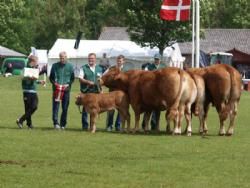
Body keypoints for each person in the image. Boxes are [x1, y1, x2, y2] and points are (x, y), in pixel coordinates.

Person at [16, 55, 45, 129]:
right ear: (32, 61)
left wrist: (39, 81)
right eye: (37, 61)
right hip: (27, 91)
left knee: (34, 107)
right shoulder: (25, 68)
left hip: (33, 91)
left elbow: (34, 79)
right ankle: (28, 124)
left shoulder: (34, 69)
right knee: (28, 108)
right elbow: (22, 77)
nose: (37, 63)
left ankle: (21, 120)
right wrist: (29, 78)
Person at [49, 51, 75, 130]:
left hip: (66, 90)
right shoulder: (54, 66)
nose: (62, 59)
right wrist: (55, 84)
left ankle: (63, 124)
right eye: (61, 58)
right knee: (56, 106)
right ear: (59, 58)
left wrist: (69, 84)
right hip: (57, 90)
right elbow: (51, 78)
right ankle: (56, 123)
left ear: (66, 57)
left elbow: (72, 78)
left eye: (63, 58)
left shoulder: (70, 66)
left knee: (65, 107)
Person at [78, 53, 103, 130]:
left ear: (95, 59)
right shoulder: (83, 68)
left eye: (92, 58)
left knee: (94, 110)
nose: (91, 60)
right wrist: (88, 82)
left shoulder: (99, 68)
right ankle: (85, 126)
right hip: (86, 92)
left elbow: (101, 80)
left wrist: (101, 89)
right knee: (86, 110)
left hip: (96, 92)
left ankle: (93, 126)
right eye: (89, 58)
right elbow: (80, 79)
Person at [142, 53, 166, 131]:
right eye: (155, 59)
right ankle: (145, 125)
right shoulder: (149, 67)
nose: (156, 61)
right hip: (150, 90)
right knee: (148, 109)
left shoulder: (164, 67)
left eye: (158, 59)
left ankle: (155, 126)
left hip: (160, 91)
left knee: (157, 110)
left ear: (160, 60)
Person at [106, 55, 129, 132]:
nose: (119, 62)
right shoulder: (112, 68)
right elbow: (105, 76)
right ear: (116, 61)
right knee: (111, 110)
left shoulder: (126, 70)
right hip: (112, 93)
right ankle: (109, 126)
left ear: (123, 61)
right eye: (118, 60)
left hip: (121, 94)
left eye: (121, 60)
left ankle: (118, 126)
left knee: (121, 110)